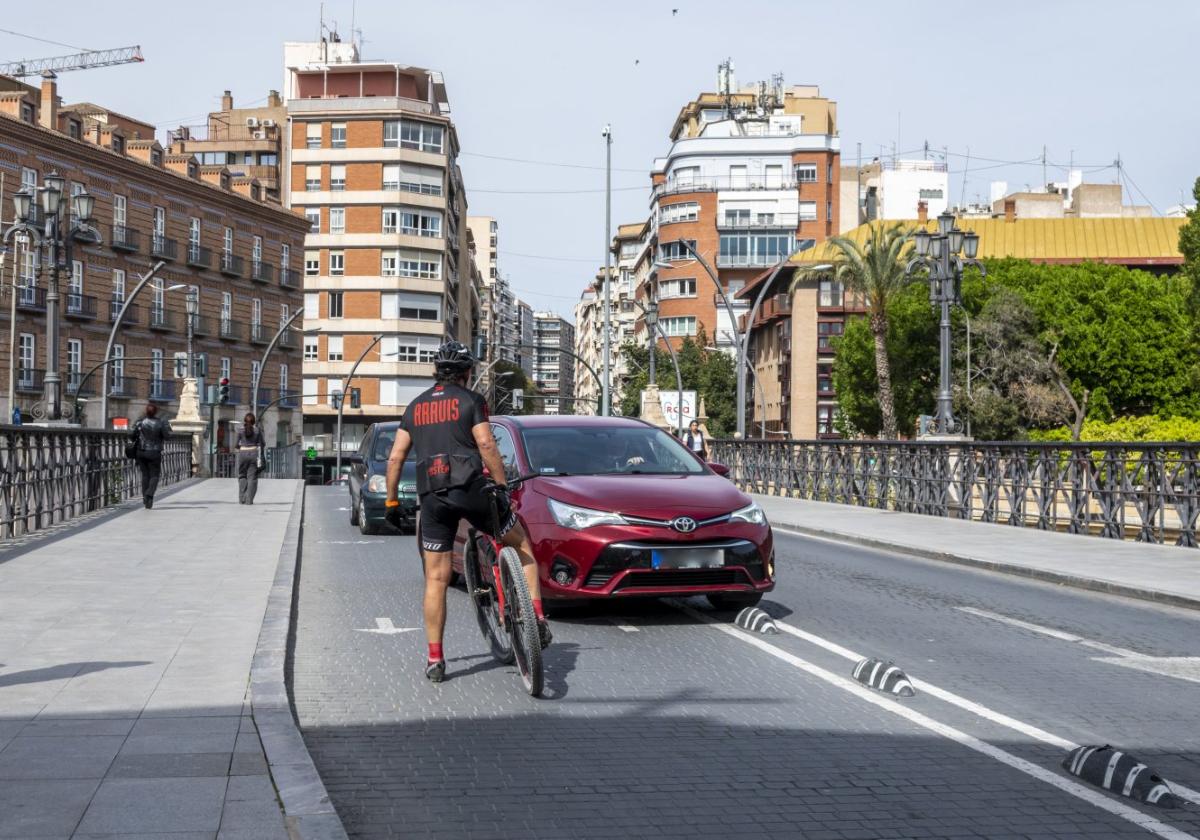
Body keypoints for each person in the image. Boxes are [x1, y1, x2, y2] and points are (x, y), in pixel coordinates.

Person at [384, 340, 551, 684]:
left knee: (436, 580)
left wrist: (391, 501)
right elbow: (487, 444)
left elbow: (396, 457)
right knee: (520, 544)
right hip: (470, 488)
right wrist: (502, 487)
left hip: (432, 496)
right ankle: (536, 619)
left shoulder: (414, 408)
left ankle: (435, 658)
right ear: (467, 373)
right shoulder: (472, 401)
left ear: (436, 372)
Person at [130, 403, 172, 509]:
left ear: (146, 411)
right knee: (155, 475)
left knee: (145, 475)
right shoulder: (161, 423)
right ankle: (150, 493)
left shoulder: (140, 423)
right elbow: (167, 437)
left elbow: (131, 436)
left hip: (141, 451)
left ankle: (146, 498)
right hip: (154, 452)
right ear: (156, 412)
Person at [237, 413, 266, 504]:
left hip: (242, 455)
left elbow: (236, 445)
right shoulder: (257, 430)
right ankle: (249, 500)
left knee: (242, 475)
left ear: (245, 421)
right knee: (252, 477)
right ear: (254, 422)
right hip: (253, 454)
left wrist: (242, 448)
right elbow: (262, 444)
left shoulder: (240, 430)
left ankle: (242, 498)